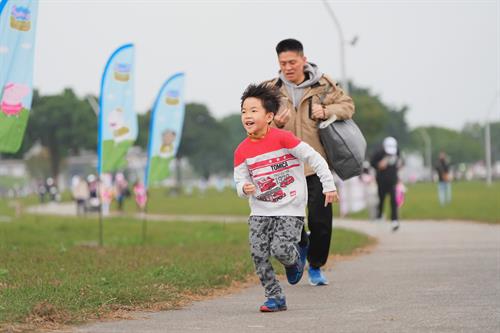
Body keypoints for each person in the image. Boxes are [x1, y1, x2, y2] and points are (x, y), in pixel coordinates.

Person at [234, 83, 338, 312]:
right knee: (259, 256)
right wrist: (245, 188)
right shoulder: (242, 150)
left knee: (280, 249)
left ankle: (298, 252)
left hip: (290, 208)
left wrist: (328, 186)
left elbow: (315, 158)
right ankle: (275, 297)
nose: (247, 116)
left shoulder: (284, 139)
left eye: (253, 110)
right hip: (260, 211)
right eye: (243, 111)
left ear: (269, 116)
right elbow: (239, 180)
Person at [264, 38, 354, 285]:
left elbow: (348, 106)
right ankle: (302, 246)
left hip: (316, 164)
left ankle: (316, 266)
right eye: (283, 63)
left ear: (303, 59)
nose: (288, 67)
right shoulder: (270, 89)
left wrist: (327, 111)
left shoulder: (323, 85)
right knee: (291, 220)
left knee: (321, 220)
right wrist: (275, 124)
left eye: (292, 62)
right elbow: (257, 124)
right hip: (285, 168)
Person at [370, 136, 403, 231]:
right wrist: (379, 165)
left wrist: (399, 171)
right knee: (381, 199)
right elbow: (372, 163)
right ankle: (380, 215)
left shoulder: (397, 151)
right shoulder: (379, 153)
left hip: (393, 180)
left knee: (394, 201)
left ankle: (394, 220)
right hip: (381, 180)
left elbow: (400, 163)